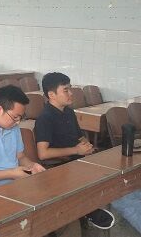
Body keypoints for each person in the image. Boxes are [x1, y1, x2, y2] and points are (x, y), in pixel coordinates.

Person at [35, 72, 115, 230]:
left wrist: (87, 146)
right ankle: (88, 210)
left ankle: (92, 207)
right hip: (60, 166)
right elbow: (43, 154)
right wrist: (77, 150)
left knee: (109, 169)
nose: (71, 93)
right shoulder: (45, 118)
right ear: (51, 94)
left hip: (77, 160)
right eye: (66, 90)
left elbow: (79, 137)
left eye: (70, 89)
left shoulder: (69, 112)